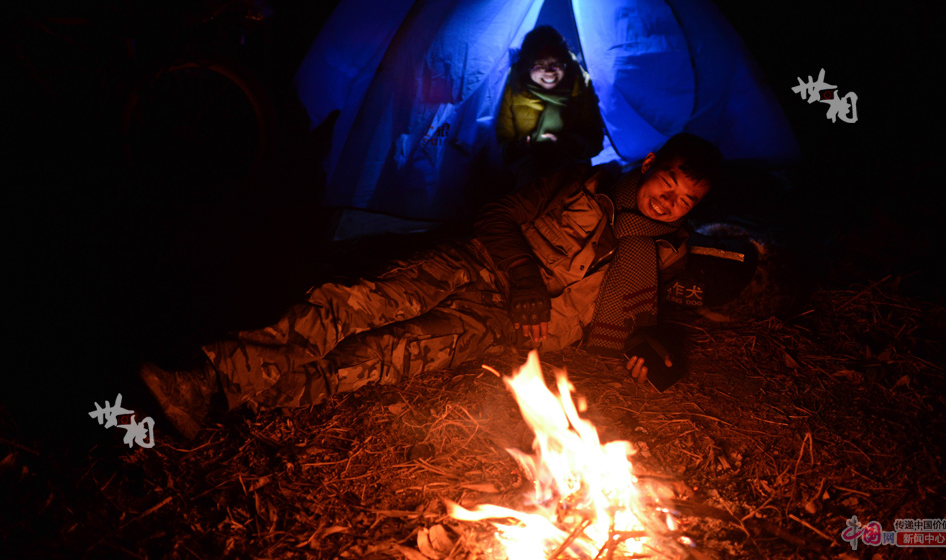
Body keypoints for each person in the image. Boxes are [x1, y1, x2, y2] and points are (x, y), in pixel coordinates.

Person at [139, 133, 722, 438]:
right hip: (477, 267)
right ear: (649, 164)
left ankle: (219, 401)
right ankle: (206, 374)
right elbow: (495, 217)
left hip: (503, 329)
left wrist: (650, 352)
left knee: (383, 357)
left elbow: (639, 320)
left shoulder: (665, 252)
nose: (669, 205)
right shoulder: (580, 183)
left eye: (685, 203)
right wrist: (523, 275)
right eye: (667, 186)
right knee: (362, 305)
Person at [496, 25, 605, 187]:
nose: (548, 72)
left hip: (572, 170)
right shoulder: (513, 88)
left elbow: (595, 141)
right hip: (526, 173)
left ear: (565, 63)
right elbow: (500, 145)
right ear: (527, 65)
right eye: (539, 66)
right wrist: (521, 147)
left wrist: (566, 142)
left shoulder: (579, 85)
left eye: (555, 65)